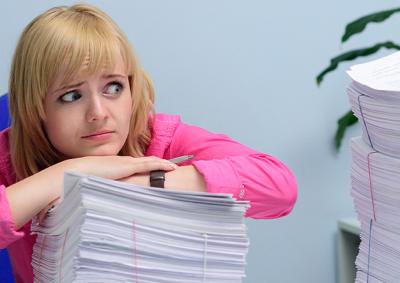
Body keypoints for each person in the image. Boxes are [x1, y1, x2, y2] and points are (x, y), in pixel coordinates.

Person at [0, 3, 297, 282]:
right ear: (35, 107)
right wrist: (71, 173)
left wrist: (136, 186)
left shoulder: (161, 139)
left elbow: (280, 187)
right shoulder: (8, 157)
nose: (99, 114)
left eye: (113, 87)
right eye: (72, 96)